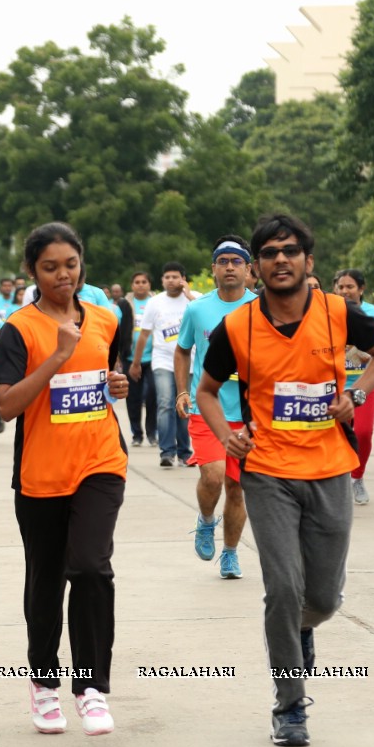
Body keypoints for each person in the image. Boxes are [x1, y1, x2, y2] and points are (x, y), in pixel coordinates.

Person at [197, 213, 374, 747]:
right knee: (283, 589)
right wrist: (228, 435)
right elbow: (207, 390)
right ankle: (289, 705)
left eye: (290, 251)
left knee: (322, 599)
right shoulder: (237, 326)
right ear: (257, 267)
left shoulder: (337, 313)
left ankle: (301, 630)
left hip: (330, 468)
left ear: (309, 260)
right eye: (269, 252)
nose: (280, 259)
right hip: (268, 472)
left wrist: (354, 393)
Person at [0, 222, 129, 736]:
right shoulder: (18, 328)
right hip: (41, 475)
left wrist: (117, 384)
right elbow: (6, 406)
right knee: (46, 582)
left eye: (70, 264)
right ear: (33, 271)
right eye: (50, 267)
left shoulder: (106, 318)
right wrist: (56, 356)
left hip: (100, 462)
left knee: (91, 568)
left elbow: (109, 378)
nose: (62, 275)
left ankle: (91, 688)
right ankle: (45, 684)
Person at [174, 237, 256, 578]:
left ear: (249, 270)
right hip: (208, 409)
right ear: (213, 270)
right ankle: (207, 519)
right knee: (214, 475)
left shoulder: (261, 309)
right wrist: (182, 391)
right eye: (223, 261)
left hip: (250, 415)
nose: (230, 267)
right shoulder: (197, 309)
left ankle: (231, 552)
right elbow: (182, 350)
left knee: (238, 488)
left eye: (237, 261)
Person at [333, 269, 374, 505]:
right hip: (333, 386)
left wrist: (354, 352)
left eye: (350, 287)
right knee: (336, 436)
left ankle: (357, 477)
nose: (345, 291)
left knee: (363, 433)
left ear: (361, 289)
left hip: (366, 383)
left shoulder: (373, 313)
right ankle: (337, 480)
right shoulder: (328, 310)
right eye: (341, 287)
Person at [131, 262, 193, 467]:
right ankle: (167, 452)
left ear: (183, 279)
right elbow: (144, 334)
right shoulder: (155, 302)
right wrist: (136, 362)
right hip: (163, 362)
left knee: (184, 406)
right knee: (166, 403)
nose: (171, 280)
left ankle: (185, 453)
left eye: (175, 277)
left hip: (188, 363)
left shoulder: (195, 300)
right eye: (167, 277)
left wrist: (190, 296)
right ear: (162, 281)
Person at [124, 271, 157, 447]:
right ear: (132, 285)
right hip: (130, 358)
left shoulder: (157, 303)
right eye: (137, 282)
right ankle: (137, 434)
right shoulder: (125, 304)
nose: (141, 285)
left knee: (153, 395)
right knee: (133, 398)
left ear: (149, 284)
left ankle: (152, 433)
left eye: (144, 281)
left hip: (153, 358)